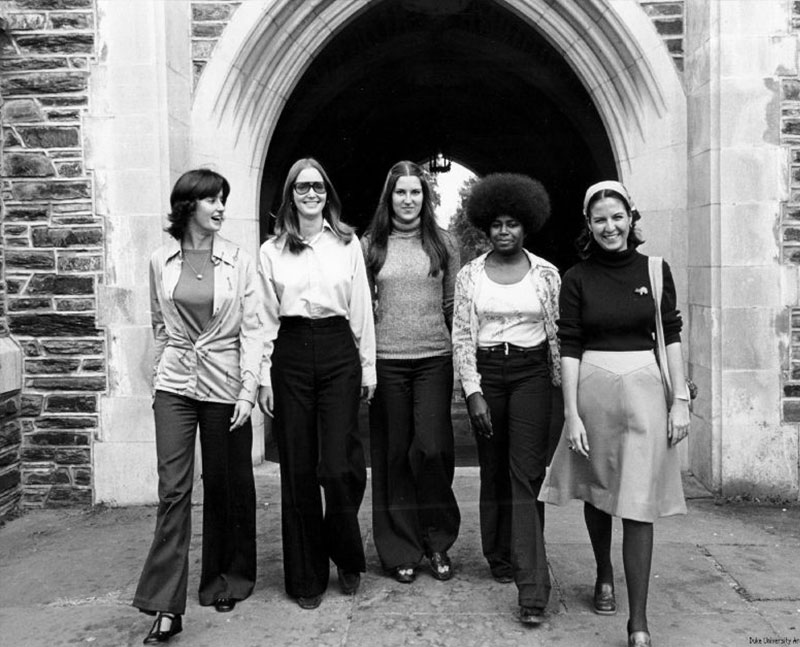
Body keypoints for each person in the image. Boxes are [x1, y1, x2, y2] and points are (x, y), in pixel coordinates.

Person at [539, 180, 690, 647]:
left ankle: (638, 623)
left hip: (646, 392)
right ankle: (604, 572)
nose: (610, 226)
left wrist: (680, 399)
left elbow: (671, 334)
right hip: (593, 392)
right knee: (600, 492)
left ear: (632, 218)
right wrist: (572, 413)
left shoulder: (655, 269)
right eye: (600, 219)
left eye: (617, 217)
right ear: (589, 224)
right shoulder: (577, 278)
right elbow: (570, 344)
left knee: (639, 504)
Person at [133, 169, 261, 644]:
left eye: (224, 199)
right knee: (173, 491)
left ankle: (225, 580)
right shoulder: (159, 259)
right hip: (175, 385)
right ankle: (166, 606)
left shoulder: (238, 261)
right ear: (189, 206)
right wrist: (162, 375)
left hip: (225, 383)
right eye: (212, 199)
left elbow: (252, 328)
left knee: (225, 484)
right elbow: (158, 324)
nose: (221, 207)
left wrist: (248, 389)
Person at [258, 158, 376, 610]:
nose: (311, 194)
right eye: (303, 188)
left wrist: (368, 367)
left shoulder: (347, 243)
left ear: (328, 192)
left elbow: (361, 304)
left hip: (336, 347)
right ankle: (306, 575)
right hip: (289, 351)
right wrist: (265, 375)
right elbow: (264, 316)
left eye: (319, 187)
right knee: (298, 466)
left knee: (339, 465)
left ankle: (345, 553)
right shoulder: (271, 251)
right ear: (290, 195)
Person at [452, 173, 561, 626]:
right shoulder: (470, 274)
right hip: (488, 373)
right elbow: (462, 336)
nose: (503, 231)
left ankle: (532, 587)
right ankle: (499, 554)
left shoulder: (547, 274)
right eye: (495, 223)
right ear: (484, 226)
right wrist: (473, 392)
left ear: (526, 226)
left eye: (512, 223)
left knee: (524, 473)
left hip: (532, 373)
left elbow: (557, 335)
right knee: (494, 467)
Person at [361, 161, 461, 584]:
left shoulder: (444, 244)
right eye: (400, 193)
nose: (408, 200)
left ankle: (437, 540)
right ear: (390, 197)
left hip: (433, 359)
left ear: (426, 197)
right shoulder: (371, 245)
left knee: (433, 448)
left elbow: (455, 304)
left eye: (416, 193)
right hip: (388, 361)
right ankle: (400, 548)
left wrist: (458, 360)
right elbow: (362, 310)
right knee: (395, 454)